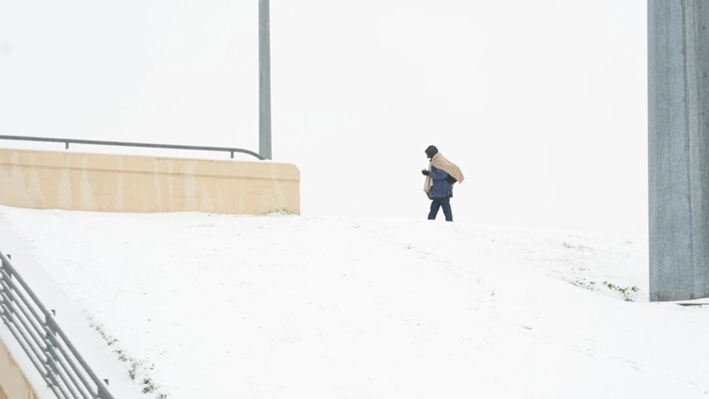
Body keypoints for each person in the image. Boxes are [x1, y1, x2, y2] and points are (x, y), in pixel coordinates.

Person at [421, 145, 465, 221]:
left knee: (439, 211)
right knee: (440, 210)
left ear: (432, 153)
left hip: (441, 191)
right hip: (440, 192)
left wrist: (428, 173)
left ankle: (431, 225)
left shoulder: (438, 162)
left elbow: (441, 175)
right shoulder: (437, 161)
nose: (427, 156)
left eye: (428, 154)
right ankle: (446, 224)